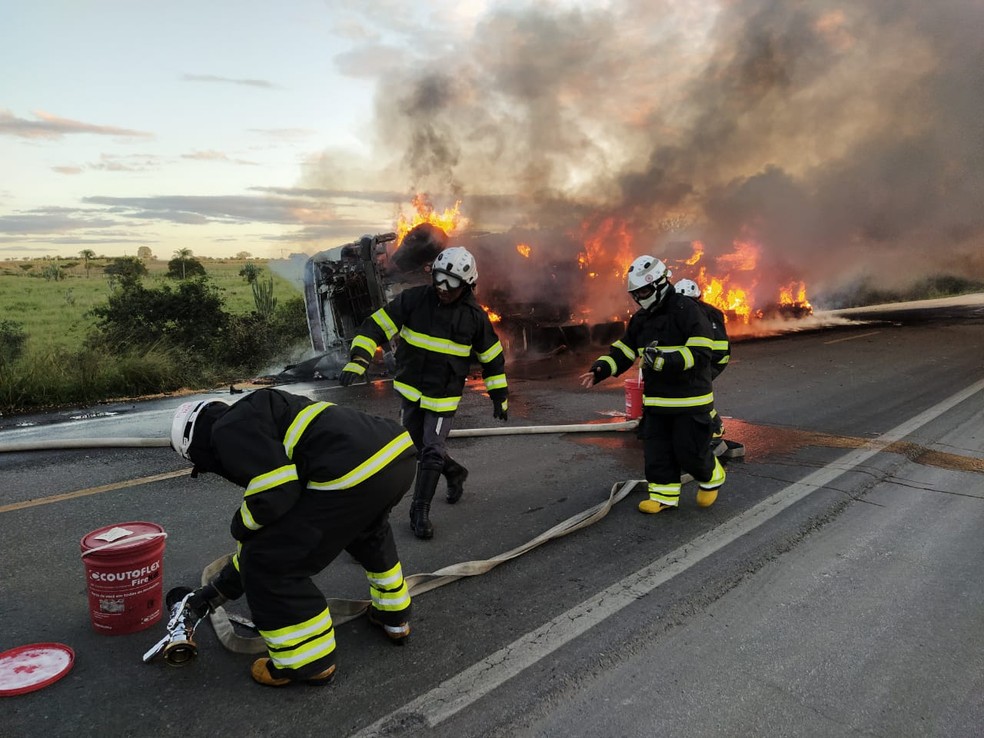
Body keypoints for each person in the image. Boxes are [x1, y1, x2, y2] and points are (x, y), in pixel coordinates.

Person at [168, 388, 417, 687]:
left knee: (271, 563)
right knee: (367, 532)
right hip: (396, 455)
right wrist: (216, 592)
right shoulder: (259, 415)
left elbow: (274, 498)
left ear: (194, 444)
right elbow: (285, 499)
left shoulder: (226, 430)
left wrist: (242, 526)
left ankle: (308, 662)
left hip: (349, 471)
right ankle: (394, 618)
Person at [339, 246, 508, 540]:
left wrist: (499, 397)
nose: (443, 288)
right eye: (439, 278)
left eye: (452, 282)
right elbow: (375, 326)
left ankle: (419, 511)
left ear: (467, 284)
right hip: (411, 389)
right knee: (414, 447)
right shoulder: (414, 300)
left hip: (442, 397)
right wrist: (359, 359)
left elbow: (492, 359)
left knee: (431, 449)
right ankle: (454, 471)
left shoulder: (475, 318)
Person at [580, 256, 726, 514]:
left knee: (690, 451)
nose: (640, 298)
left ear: (660, 283)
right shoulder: (640, 320)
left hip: (690, 400)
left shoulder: (687, 310)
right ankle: (664, 497)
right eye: (636, 294)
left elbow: (702, 351)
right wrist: (601, 369)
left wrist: (665, 361)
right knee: (657, 452)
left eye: (644, 291)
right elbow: (625, 349)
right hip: (657, 402)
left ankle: (712, 476)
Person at [675, 278, 730, 447]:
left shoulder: (706, 314)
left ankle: (715, 427)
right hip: (703, 358)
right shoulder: (683, 313)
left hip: (713, 359)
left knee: (695, 391)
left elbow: (718, 348)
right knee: (687, 390)